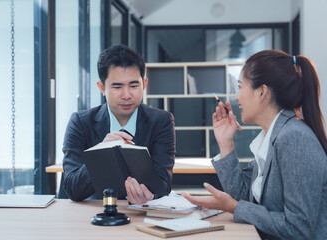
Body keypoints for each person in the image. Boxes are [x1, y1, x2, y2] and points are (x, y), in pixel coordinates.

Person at [182, 50, 327, 239]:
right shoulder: (273, 135)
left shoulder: (294, 138)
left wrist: (233, 208)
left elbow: (298, 228)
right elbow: (244, 195)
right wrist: (226, 144)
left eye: (240, 87)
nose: (236, 97)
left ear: (261, 92)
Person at [62, 45, 175, 204]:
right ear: (102, 88)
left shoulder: (161, 121)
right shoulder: (80, 122)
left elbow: (163, 186)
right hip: (94, 216)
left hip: (143, 216)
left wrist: (150, 197)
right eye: (117, 87)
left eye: (134, 86)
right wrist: (100, 152)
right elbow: (72, 189)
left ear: (144, 84)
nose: (127, 95)